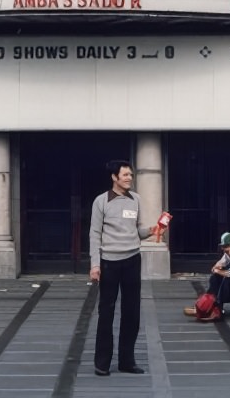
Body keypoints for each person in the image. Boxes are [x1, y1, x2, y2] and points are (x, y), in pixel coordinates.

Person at [89, 159, 160, 377]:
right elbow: (94, 234)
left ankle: (127, 362)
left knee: (132, 312)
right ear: (114, 177)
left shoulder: (135, 199)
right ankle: (102, 363)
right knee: (106, 312)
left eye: (131, 174)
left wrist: (151, 230)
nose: (130, 178)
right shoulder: (101, 201)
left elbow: (136, 230)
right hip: (109, 262)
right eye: (126, 174)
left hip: (132, 260)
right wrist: (95, 264)